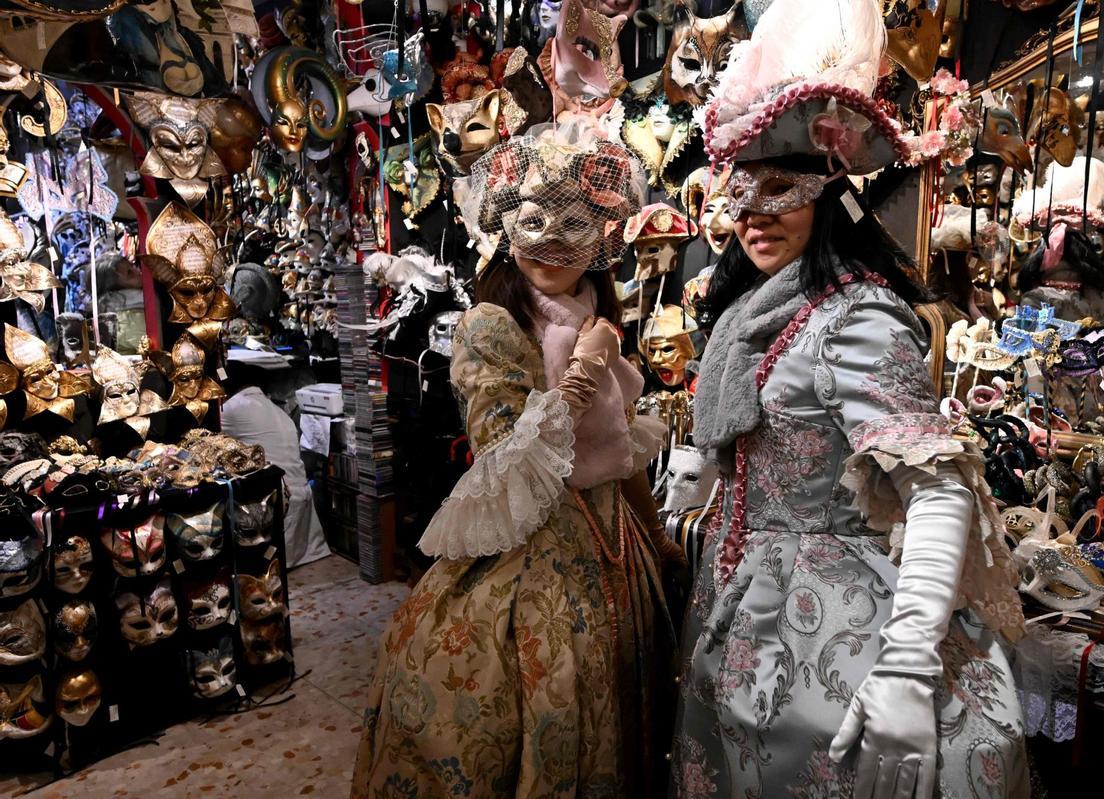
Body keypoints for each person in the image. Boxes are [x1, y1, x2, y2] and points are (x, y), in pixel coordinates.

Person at [670, 0, 1030, 797]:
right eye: (743, 190)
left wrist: (904, 667)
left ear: (830, 191)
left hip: (830, 626)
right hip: (743, 609)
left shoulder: (856, 316)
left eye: (784, 187)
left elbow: (937, 488)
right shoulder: (750, 316)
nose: (756, 214)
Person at [351, 125, 684, 798]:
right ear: (506, 227)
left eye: (574, 221)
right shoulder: (490, 327)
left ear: (600, 237)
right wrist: (583, 376)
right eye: (534, 220)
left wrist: (653, 539)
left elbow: (618, 460)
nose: (553, 240)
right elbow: (504, 462)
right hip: (532, 568)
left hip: (615, 557)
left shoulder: (597, 319)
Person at [220, 359, 330, 568]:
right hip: (302, 497)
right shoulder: (275, 410)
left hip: (279, 502)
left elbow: (206, 436)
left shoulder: (234, 408)